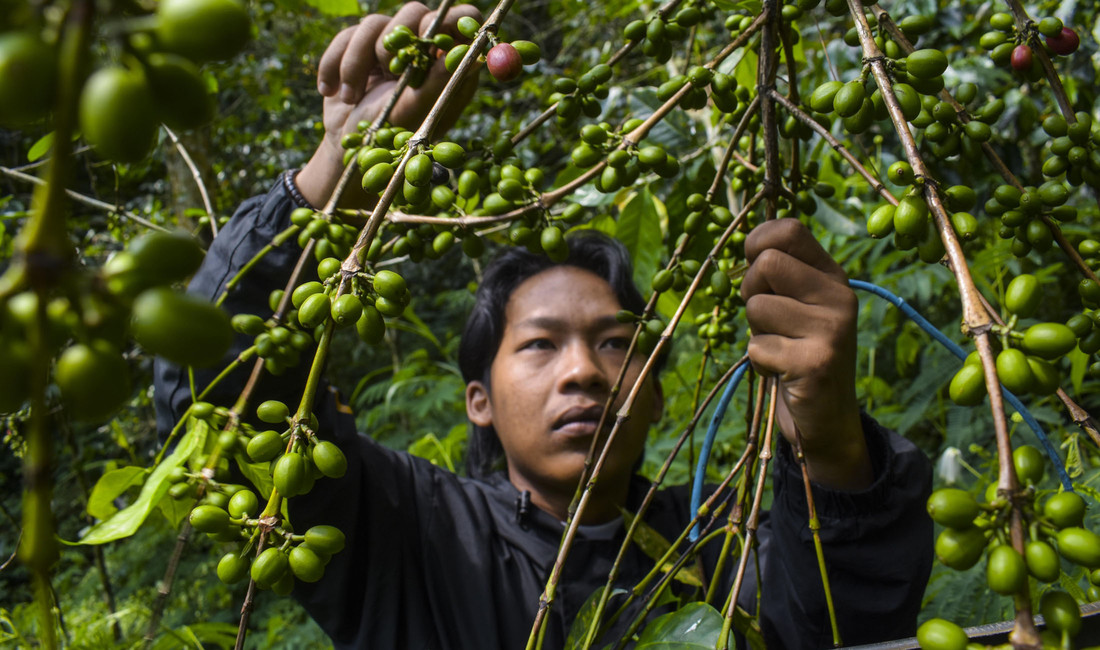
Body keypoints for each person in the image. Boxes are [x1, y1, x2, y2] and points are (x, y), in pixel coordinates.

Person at [154, 3, 933, 648]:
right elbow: (218, 402)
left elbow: (844, 627)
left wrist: (832, 450)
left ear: (659, 396)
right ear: (477, 400)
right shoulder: (418, 536)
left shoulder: (720, 558)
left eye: (617, 344)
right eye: (538, 344)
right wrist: (335, 175)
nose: (585, 372)